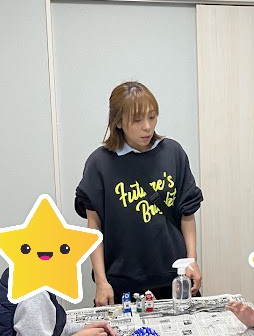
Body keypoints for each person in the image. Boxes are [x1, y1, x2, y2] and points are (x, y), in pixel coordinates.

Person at [75, 81, 203, 305]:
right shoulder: (100, 163)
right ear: (118, 122)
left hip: (173, 277)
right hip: (121, 283)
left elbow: (187, 213)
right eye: (137, 120)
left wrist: (191, 261)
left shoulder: (172, 153)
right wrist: (101, 281)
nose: (147, 127)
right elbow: (94, 227)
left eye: (152, 117)